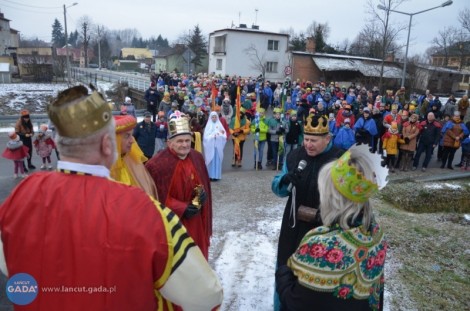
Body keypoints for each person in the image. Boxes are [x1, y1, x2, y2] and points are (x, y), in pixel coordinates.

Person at [0, 85, 223, 310]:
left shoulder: (20, 197)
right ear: (108, 145)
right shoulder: (145, 211)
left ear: (59, 143)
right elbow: (206, 294)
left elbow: (10, 262)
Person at [275, 144, 388, 311]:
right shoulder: (376, 235)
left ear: (333, 198)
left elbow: (295, 302)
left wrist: (283, 274)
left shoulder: (321, 246)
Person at [272, 113, 344, 269]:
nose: (308, 145)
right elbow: (278, 189)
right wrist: (284, 180)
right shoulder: (295, 156)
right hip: (294, 225)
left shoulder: (341, 159)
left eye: (314, 141)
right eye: (306, 139)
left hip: (325, 227)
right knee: (288, 266)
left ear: (327, 139)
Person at [146, 111, 213, 260]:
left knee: (198, 258)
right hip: (173, 225)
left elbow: (202, 184)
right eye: (180, 141)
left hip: (196, 221)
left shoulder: (197, 157)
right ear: (169, 143)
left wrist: (202, 196)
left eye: (187, 141)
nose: (184, 145)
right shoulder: (157, 165)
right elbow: (156, 197)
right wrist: (181, 208)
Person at [110, 114, 158, 198]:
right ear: (114, 139)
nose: (132, 140)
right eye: (127, 136)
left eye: (131, 135)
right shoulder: (104, 169)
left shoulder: (132, 160)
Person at [203, 111, 228, 181]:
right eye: (213, 117)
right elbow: (205, 137)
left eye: (215, 117)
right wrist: (211, 136)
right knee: (211, 160)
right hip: (211, 147)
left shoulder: (219, 125)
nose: (214, 118)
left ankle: (216, 176)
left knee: (217, 161)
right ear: (210, 118)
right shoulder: (208, 126)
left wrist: (218, 135)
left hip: (217, 147)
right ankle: (210, 175)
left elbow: (224, 135)